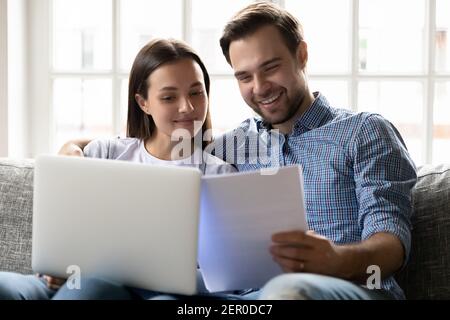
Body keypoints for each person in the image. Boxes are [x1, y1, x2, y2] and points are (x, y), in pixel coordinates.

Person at [39, 2, 417, 300]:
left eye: (271, 68)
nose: (260, 86)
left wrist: (336, 260)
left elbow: (391, 245)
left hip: (352, 289)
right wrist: (72, 150)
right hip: (245, 296)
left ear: (301, 55)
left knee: (284, 292)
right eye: (244, 76)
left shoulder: (363, 131)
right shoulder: (230, 147)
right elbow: (141, 147)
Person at [0, 38, 239, 300]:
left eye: (196, 92)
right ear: (143, 102)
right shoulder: (107, 153)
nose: (188, 107)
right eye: (169, 96)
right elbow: (63, 224)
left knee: (91, 288)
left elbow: (227, 279)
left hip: (133, 292)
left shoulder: (219, 176)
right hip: (63, 281)